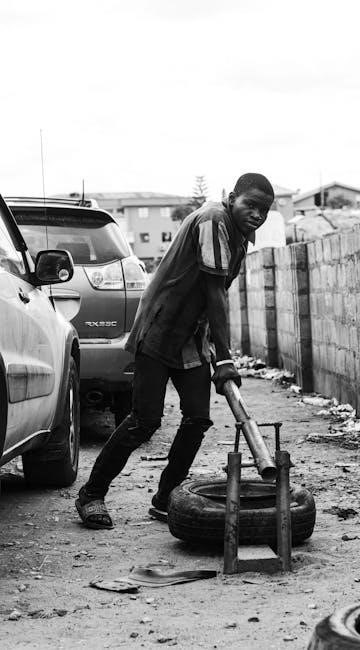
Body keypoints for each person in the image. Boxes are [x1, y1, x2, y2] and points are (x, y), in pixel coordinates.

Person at [75, 172, 274, 529]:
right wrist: (225, 358)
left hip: (192, 337)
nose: (257, 215)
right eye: (251, 205)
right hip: (160, 328)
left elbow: (213, 298)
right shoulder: (213, 219)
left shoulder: (241, 234)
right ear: (232, 198)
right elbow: (215, 292)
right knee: (144, 421)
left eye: (265, 210)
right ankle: (91, 494)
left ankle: (165, 498)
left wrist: (215, 349)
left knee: (197, 419)